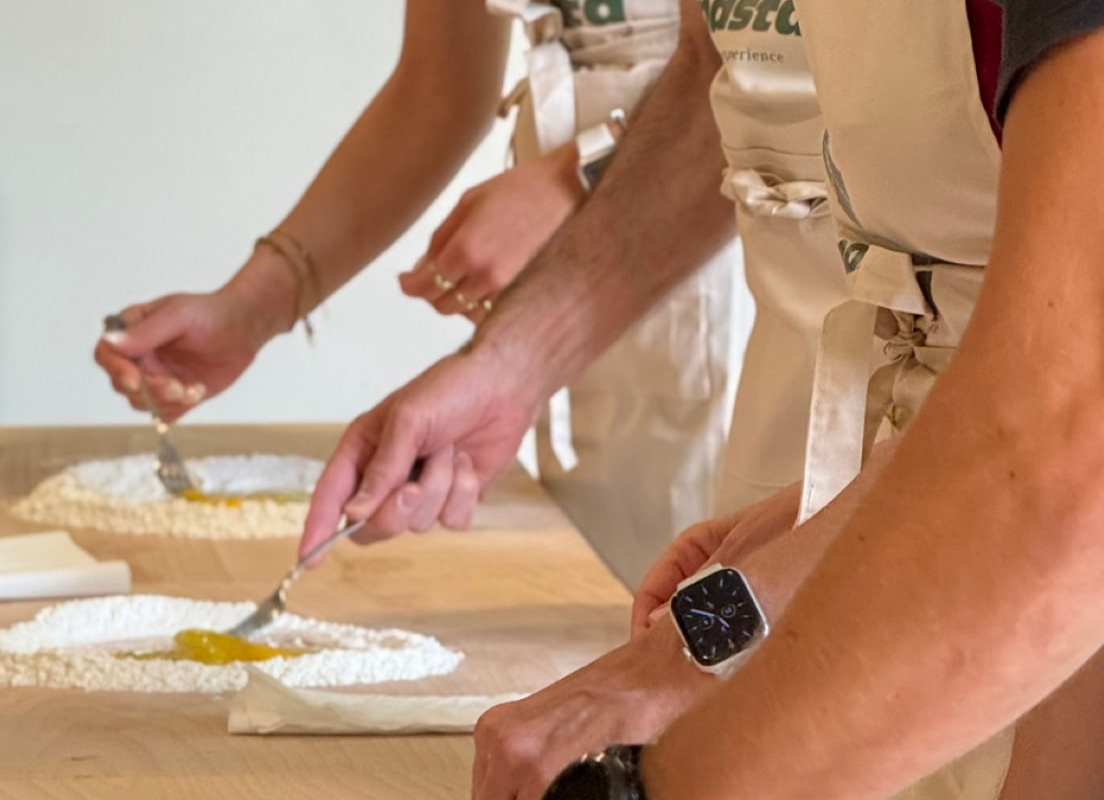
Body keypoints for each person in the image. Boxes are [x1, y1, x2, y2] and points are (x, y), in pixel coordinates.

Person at [300, 0, 1104, 797]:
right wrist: (509, 367)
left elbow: (1056, 448)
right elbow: (720, 74)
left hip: (998, 547)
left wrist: (670, 720)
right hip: (888, 468)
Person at [94, 0, 748, 591]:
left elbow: (759, 66)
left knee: (728, 593)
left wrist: (581, 172)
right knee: (626, 601)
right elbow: (439, 85)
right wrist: (254, 305)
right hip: (580, 282)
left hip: (740, 223)